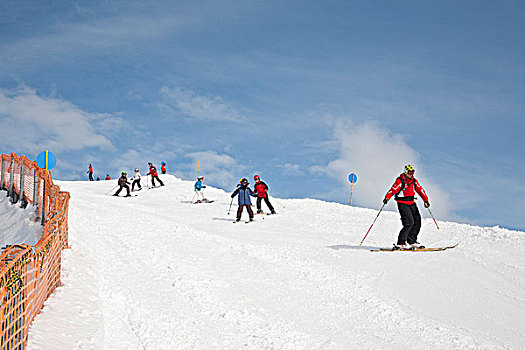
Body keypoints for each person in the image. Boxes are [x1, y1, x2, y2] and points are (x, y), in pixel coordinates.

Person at [383, 165, 430, 249]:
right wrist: (387, 197)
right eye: (409, 172)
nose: (411, 174)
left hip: (411, 202)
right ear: (405, 172)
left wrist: (425, 200)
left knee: (417, 221)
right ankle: (400, 243)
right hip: (402, 203)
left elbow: (420, 190)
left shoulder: (413, 181)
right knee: (409, 223)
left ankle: (412, 240)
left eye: (412, 172)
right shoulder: (400, 180)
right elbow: (393, 190)